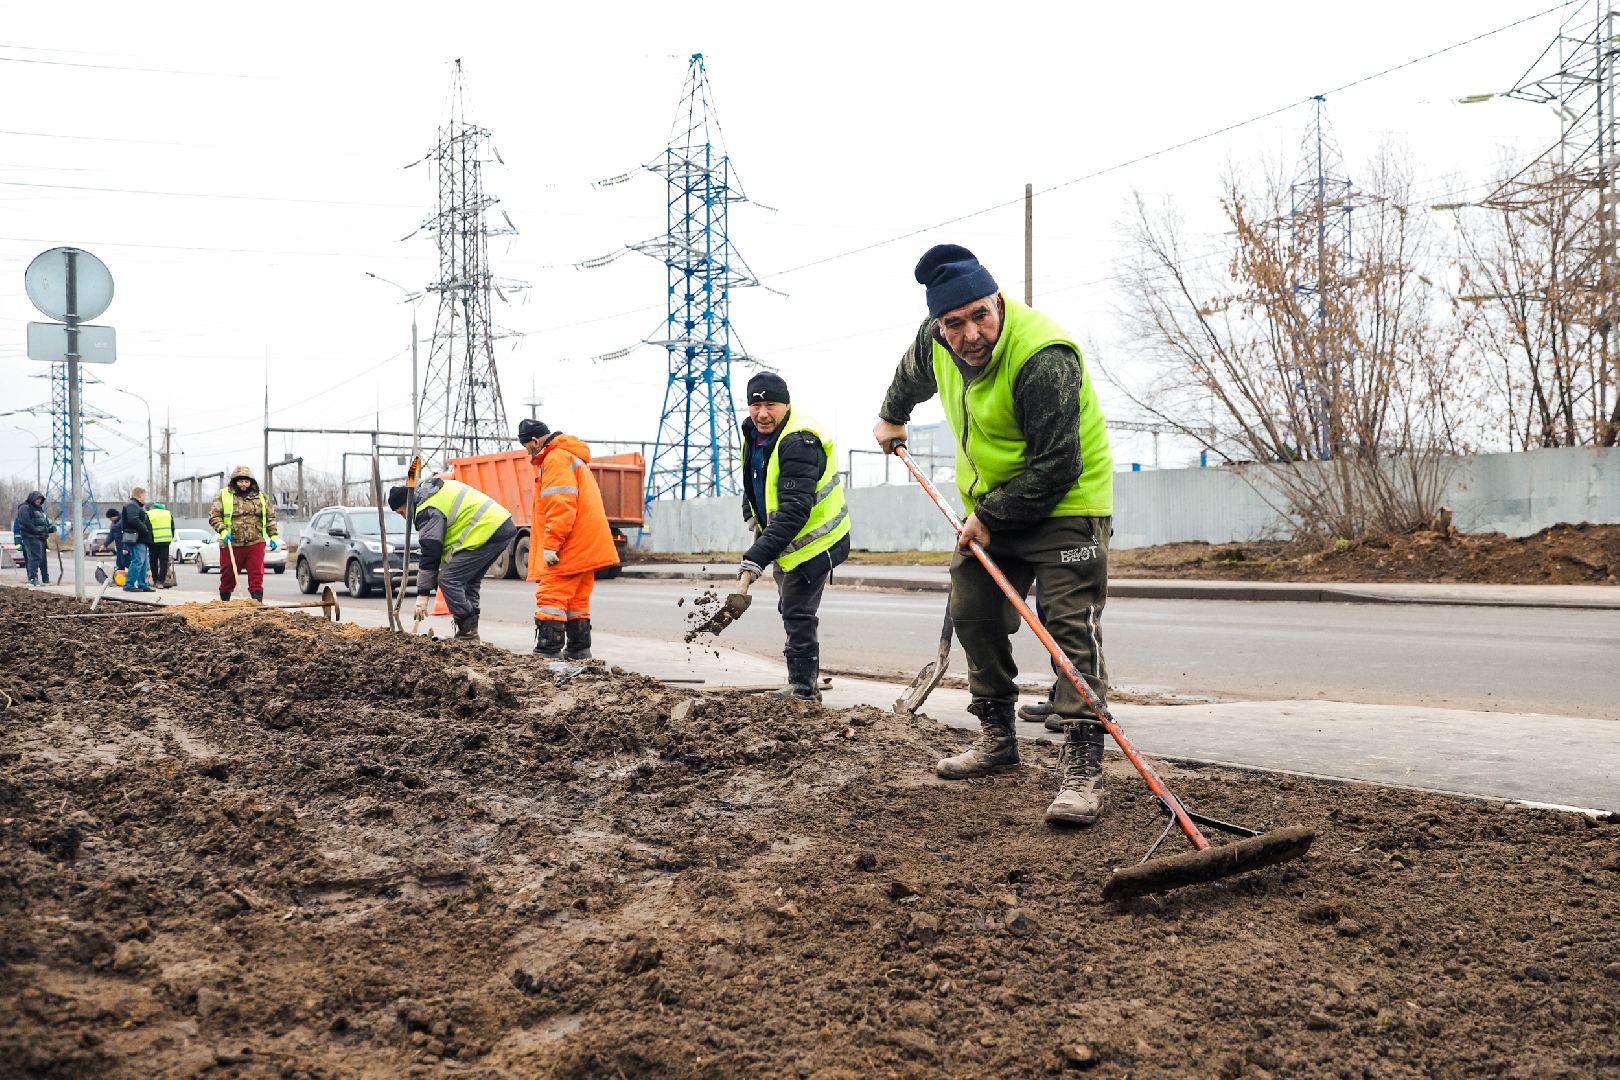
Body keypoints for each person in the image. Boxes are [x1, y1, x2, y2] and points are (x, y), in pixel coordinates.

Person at [872, 244, 1114, 826]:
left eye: (981, 314)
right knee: (973, 608)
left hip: (1065, 507)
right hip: (994, 508)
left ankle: (1083, 763)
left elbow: (1058, 466)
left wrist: (990, 515)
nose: (972, 333)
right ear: (940, 325)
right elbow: (911, 372)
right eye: (955, 323)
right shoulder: (939, 344)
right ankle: (997, 738)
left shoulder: (1041, 356)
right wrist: (891, 414)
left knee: (1067, 627)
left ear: (997, 301)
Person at [735, 371, 852, 701]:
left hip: (817, 539)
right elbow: (757, 477)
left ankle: (802, 690)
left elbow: (796, 510)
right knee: (790, 607)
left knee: (797, 610)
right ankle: (802, 681)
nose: (762, 413)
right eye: (755, 405)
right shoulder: (754, 434)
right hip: (787, 540)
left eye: (771, 405)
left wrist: (757, 555)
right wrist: (751, 512)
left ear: (786, 405)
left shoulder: (800, 441)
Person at [516, 419, 619, 660]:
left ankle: (547, 651)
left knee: (551, 593)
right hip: (585, 541)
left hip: (570, 543)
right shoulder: (570, 456)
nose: (527, 452)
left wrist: (551, 545)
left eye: (526, 447)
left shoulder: (554, 460)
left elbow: (561, 506)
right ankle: (578, 650)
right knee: (576, 599)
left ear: (534, 441)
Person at [388, 475, 516, 642]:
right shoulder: (432, 493)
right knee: (468, 581)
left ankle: (467, 632)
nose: (404, 517)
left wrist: (423, 594)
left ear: (407, 502)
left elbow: (430, 550)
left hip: (487, 530)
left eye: (401, 512)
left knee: (448, 579)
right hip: (500, 526)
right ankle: (470, 633)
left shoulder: (426, 508)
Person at [208, 466, 281, 602]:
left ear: (251, 482)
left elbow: (270, 517)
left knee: (256, 575)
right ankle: (225, 602)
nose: (243, 484)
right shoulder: (223, 495)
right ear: (235, 481)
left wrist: (273, 536)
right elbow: (214, 516)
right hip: (231, 543)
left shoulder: (261, 497)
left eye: (246, 482)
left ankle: (257, 603)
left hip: (255, 542)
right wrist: (222, 530)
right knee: (228, 576)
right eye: (240, 481)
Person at [12, 491, 53, 586]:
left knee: (41, 559)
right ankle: (32, 579)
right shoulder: (25, 508)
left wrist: (49, 529)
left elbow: (43, 523)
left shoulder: (40, 510)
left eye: (40, 499)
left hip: (40, 538)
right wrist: (18, 542)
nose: (39, 501)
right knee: (33, 559)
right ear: (32, 498)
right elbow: (25, 523)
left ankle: (44, 579)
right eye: (37, 499)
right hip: (30, 537)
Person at [120, 487, 155, 593]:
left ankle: (142, 584)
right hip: (136, 539)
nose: (145, 498)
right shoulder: (132, 505)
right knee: (137, 561)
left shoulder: (137, 506)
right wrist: (144, 528)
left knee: (143, 563)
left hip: (141, 539)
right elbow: (133, 519)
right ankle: (129, 584)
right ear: (139, 496)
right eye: (144, 496)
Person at [147, 499, 175, 588]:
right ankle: (161, 582)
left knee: (153, 561)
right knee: (164, 562)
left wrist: (148, 540)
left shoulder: (149, 513)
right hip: (165, 541)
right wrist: (170, 538)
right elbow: (172, 527)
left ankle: (155, 580)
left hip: (154, 541)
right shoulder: (167, 513)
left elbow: (147, 528)